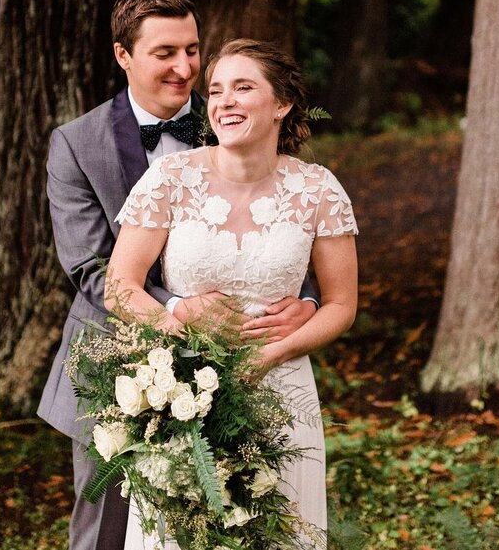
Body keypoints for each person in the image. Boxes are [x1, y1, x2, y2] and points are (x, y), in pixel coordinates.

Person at [36, 0, 320, 550]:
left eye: (192, 50)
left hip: (244, 362)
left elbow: (291, 217)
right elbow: (92, 268)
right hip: (117, 363)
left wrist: (307, 300)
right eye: (165, 52)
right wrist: (178, 310)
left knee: (245, 520)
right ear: (124, 56)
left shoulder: (235, 116)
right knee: (108, 533)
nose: (185, 67)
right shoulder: (77, 144)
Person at [107, 39, 359, 549]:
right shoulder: (171, 179)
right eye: (216, 90)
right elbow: (119, 287)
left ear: (282, 104)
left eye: (244, 88)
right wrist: (180, 332)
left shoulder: (318, 190)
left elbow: (342, 305)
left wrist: (276, 352)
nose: (224, 101)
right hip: (182, 395)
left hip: (283, 393)